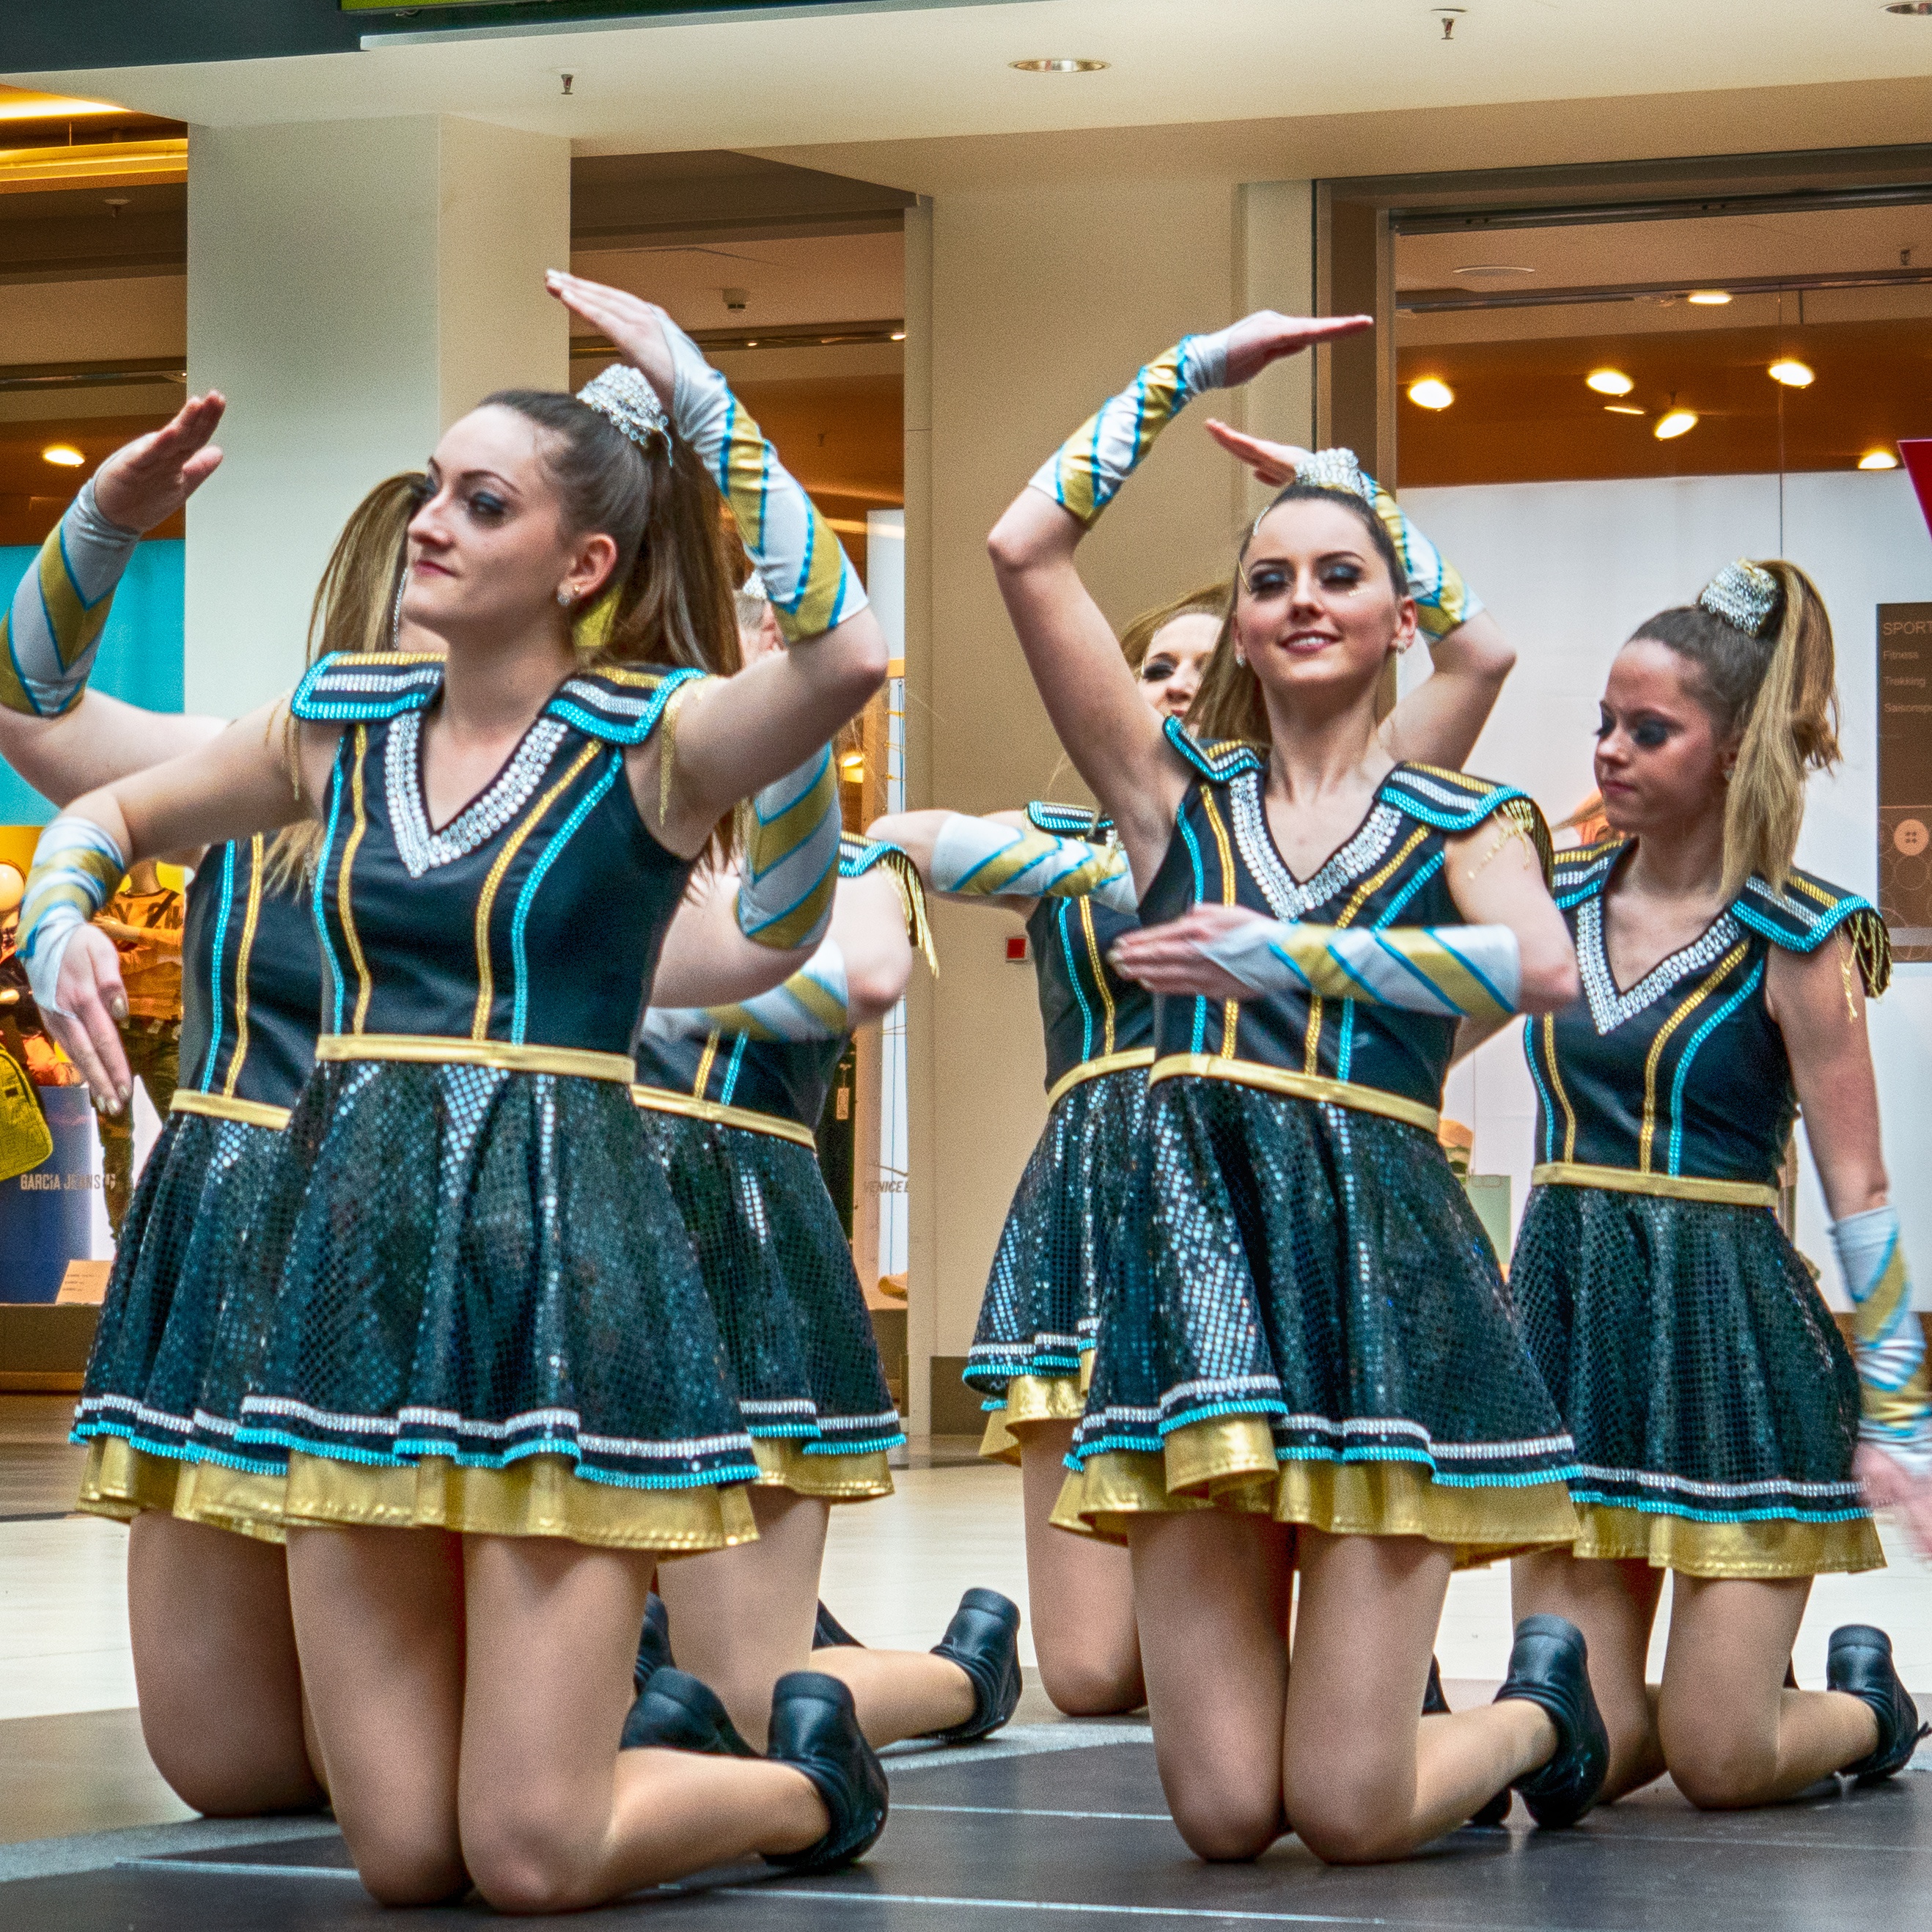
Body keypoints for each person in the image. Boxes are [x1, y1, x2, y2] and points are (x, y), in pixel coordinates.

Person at [22, 276, 894, 1909]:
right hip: (342, 1284)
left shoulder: (655, 733)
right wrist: (59, 904)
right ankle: (683, 1751)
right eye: (433, 486)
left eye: (478, 500)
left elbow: (850, 653)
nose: (428, 521)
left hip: (565, 1284)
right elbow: (103, 807)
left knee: (531, 1856)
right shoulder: (331, 726)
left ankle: (788, 1786)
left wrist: (705, 406)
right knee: (412, 1857)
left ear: (584, 566)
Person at [985, 309, 1612, 1865]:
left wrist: (1293, 956)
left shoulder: (1460, 809)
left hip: (1384, 1269)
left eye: (1341, 576)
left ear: (1402, 618)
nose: (1302, 601)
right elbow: (1022, 548)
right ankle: (1423, 1721)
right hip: (1192, 1263)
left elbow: (1538, 972)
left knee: (1343, 1811)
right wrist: (1184, 372)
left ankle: (1540, 1712)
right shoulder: (1168, 792)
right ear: (1244, 626)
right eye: (1273, 580)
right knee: (1220, 1817)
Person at [873, 446, 1513, 1722]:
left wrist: (1357, 503)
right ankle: (988, 1660)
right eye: (1147, 666)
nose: (1173, 684)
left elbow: (1475, 662)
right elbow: (896, 839)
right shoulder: (1058, 843)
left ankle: (1367, 1684)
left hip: (1275, 1187)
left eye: (1193, 663)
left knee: (1256, 1606)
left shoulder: (1331, 824)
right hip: (1093, 1198)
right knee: (1103, 1676)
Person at [1508, 558, 1932, 1809]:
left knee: (1722, 1760)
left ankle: (1865, 1706)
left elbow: (1860, 1189)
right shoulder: (1549, 906)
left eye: (1650, 730)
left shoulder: (1800, 939)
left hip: (1736, 1352)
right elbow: (1396, 1032)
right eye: (1603, 725)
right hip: (1573, 1335)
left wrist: (1901, 1419)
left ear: (1735, 744)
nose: (1611, 753)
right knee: (1582, 1753)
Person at [624, 569, 1022, 1757]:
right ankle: (798, 1645)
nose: (749, 642)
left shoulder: (858, 870)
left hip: (743, 1234)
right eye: (729, 612)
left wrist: (622, 968)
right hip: (587, 1216)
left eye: (776, 622)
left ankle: (961, 1677)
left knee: (746, 1710)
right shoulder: (617, 833)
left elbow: (856, 982)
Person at [95, 858, 185, 1235]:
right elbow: (108, 966)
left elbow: (184, 946)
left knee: (183, 1137)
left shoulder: (179, 902)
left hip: (166, 1036)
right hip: (116, 1037)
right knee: (115, 1148)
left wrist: (130, 933)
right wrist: (162, 955)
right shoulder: (107, 908)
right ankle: (123, 1240)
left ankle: (177, 1236)